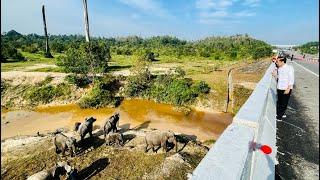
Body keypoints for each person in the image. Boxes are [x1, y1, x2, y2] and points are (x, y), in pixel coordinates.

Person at [274, 56, 294, 120]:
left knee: (284, 103)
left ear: (282, 61)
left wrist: (288, 88)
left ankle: (279, 117)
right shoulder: (279, 68)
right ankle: (281, 114)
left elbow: (291, 79)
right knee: (279, 102)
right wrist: (275, 75)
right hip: (279, 87)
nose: (276, 63)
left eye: (277, 62)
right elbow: (280, 77)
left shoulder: (289, 68)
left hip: (286, 88)